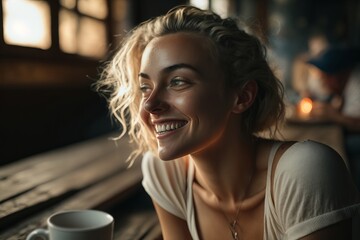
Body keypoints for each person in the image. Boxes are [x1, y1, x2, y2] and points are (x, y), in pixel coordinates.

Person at [97, 6, 360, 240]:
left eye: (178, 81)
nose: (149, 105)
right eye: (145, 87)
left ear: (242, 97)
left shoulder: (306, 171)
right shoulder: (164, 172)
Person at [307, 46, 360, 190]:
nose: (322, 82)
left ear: (337, 76)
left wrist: (335, 116)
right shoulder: (345, 84)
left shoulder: (357, 83)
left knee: (331, 148)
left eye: (325, 77)